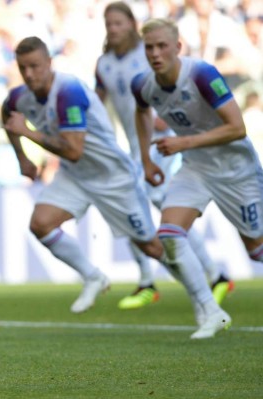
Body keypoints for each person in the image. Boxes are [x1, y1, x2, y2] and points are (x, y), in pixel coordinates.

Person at [2, 36, 185, 326]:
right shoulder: (18, 97)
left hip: (113, 176)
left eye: (35, 66)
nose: (29, 74)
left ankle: (205, 290)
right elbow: (8, 117)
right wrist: (22, 158)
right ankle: (93, 276)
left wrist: (28, 133)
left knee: (151, 246)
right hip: (76, 176)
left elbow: (73, 150)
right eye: (23, 68)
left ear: (49, 63)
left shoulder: (69, 91)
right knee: (41, 223)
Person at [95, 1, 233, 310]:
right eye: (109, 24)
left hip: (162, 142)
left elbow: (168, 85)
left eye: (118, 23)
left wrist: (163, 114)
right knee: (146, 208)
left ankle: (161, 280)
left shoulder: (146, 56)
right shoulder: (103, 64)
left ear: (131, 23)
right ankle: (212, 275)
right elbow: (97, 103)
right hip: (135, 147)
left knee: (153, 206)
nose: (113, 29)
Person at [131, 18, 262, 338]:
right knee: (171, 233)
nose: (155, 53)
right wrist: (147, 160)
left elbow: (237, 128)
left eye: (162, 46)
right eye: (149, 47)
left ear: (178, 47)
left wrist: (182, 142)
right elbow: (141, 110)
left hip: (236, 169)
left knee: (256, 249)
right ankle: (210, 311)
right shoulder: (143, 84)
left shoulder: (202, 74)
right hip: (195, 167)